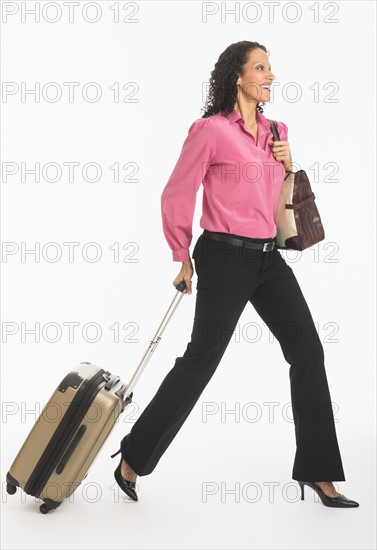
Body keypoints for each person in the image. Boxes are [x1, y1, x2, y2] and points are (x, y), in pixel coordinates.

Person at [110, 41, 359, 508]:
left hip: (269, 260)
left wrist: (289, 163)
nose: (271, 75)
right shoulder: (210, 131)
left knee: (308, 350)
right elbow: (176, 193)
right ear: (238, 76)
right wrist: (181, 255)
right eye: (261, 67)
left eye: (271, 67)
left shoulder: (277, 130)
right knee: (202, 359)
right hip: (223, 257)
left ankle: (320, 473)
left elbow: (284, 199)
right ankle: (134, 456)